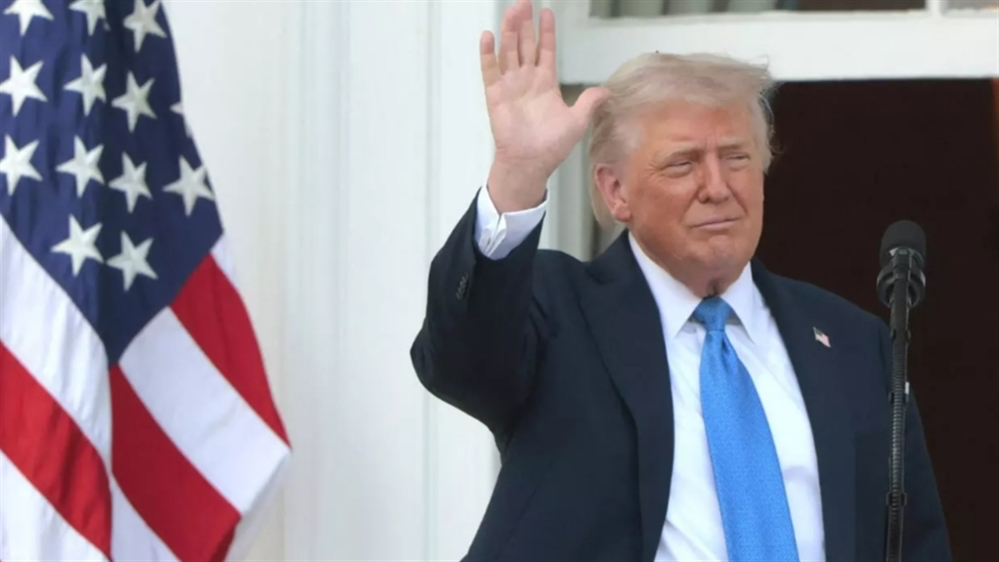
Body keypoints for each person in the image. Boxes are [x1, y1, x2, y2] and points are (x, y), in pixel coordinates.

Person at [409, 0, 951, 560]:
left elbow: (917, 542)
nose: (717, 187)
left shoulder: (854, 344)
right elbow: (459, 360)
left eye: (736, 158)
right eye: (682, 163)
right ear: (616, 191)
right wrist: (518, 175)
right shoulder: (558, 314)